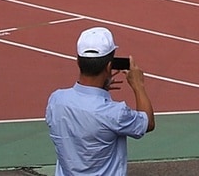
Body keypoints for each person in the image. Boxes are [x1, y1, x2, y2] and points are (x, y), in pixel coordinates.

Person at [46, 27, 154, 176]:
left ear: (78, 61)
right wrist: (138, 85)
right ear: (109, 66)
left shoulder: (56, 100)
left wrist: (99, 89)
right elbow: (147, 123)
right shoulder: (115, 113)